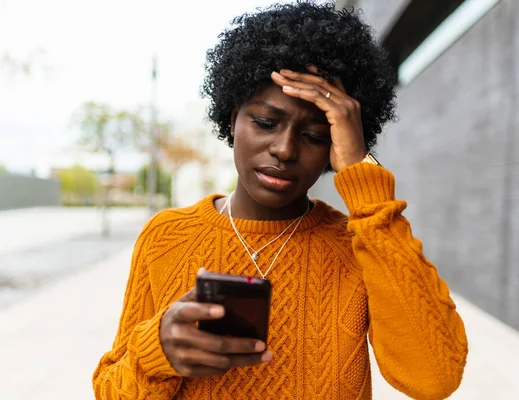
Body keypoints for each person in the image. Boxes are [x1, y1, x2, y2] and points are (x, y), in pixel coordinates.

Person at [92, 2, 468, 399]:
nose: (285, 150)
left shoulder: (363, 243)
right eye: (266, 123)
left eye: (314, 135)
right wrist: (157, 352)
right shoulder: (165, 236)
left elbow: (435, 378)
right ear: (233, 116)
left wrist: (365, 181)